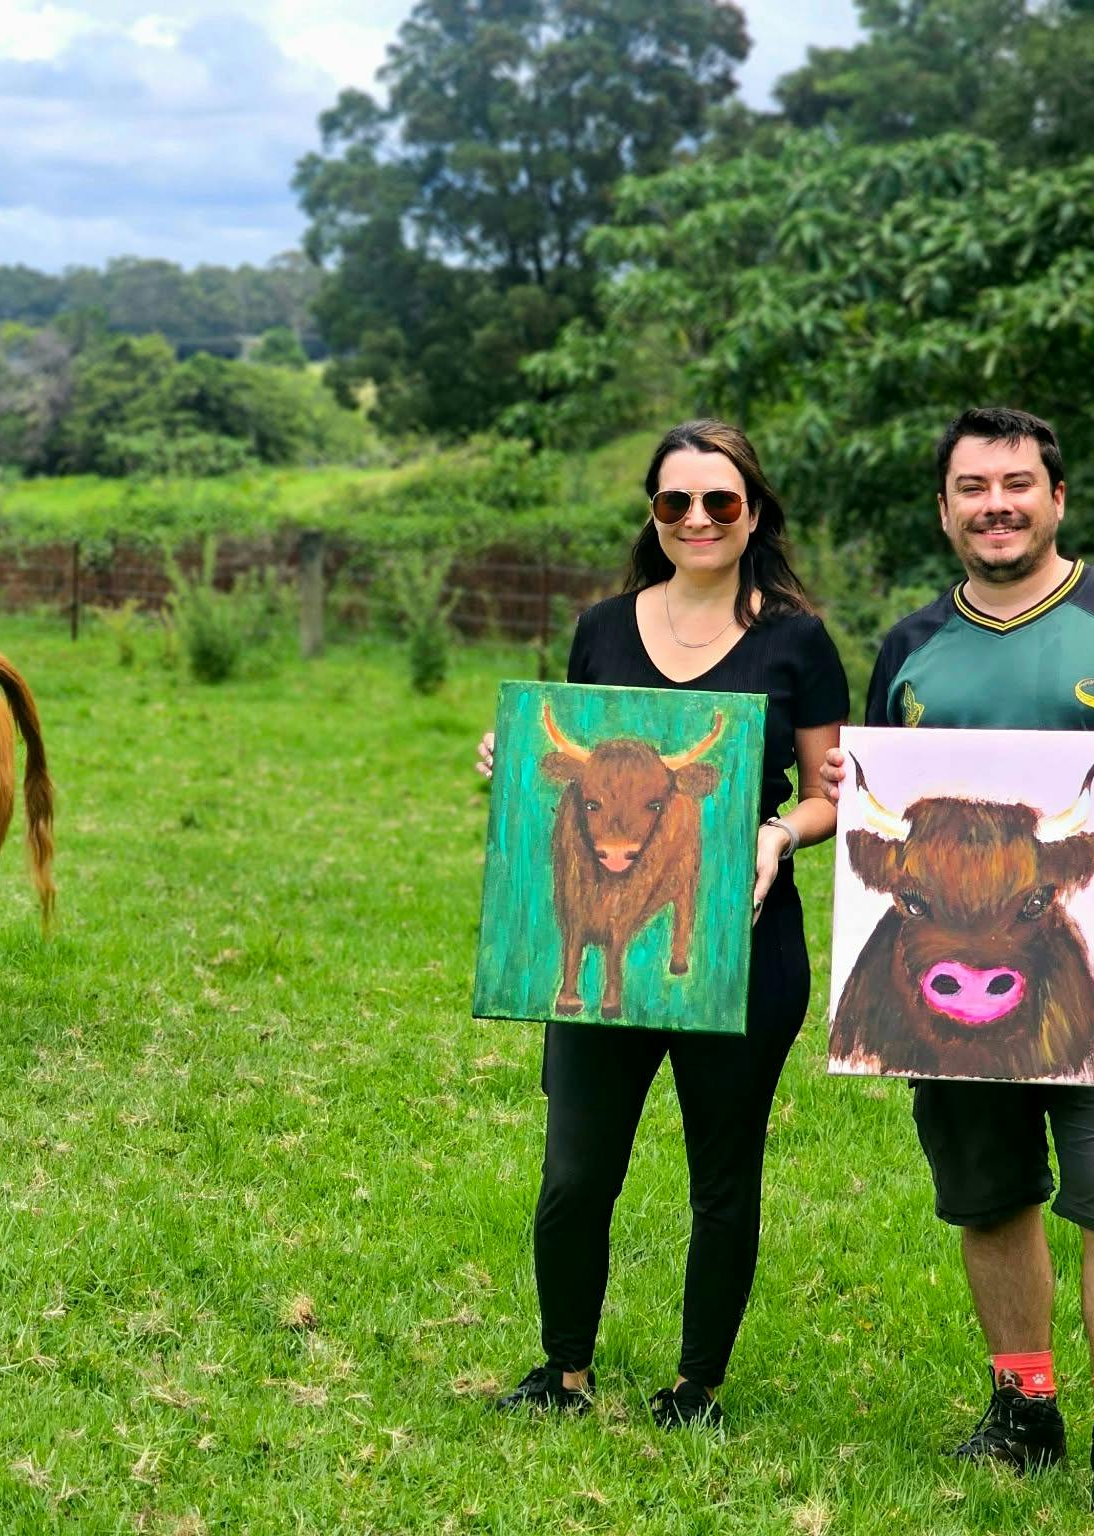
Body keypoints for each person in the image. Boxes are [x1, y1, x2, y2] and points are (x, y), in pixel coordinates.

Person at [823, 407, 1094, 1529]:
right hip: (944, 989)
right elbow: (868, 799)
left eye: (1015, 483)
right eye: (970, 487)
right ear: (942, 510)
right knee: (987, 1195)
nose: (994, 504)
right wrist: (838, 781)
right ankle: (1021, 1408)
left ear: (1055, 497)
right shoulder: (909, 647)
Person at [476, 419, 848, 1426]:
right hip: (597, 945)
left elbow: (833, 791)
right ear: (652, 515)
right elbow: (584, 773)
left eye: (718, 501)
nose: (696, 519)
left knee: (722, 1177)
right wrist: (511, 771)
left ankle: (696, 1387)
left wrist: (777, 833)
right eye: (673, 502)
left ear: (752, 513)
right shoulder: (600, 626)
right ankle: (561, 1372)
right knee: (574, 1172)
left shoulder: (796, 641)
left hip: (740, 945)